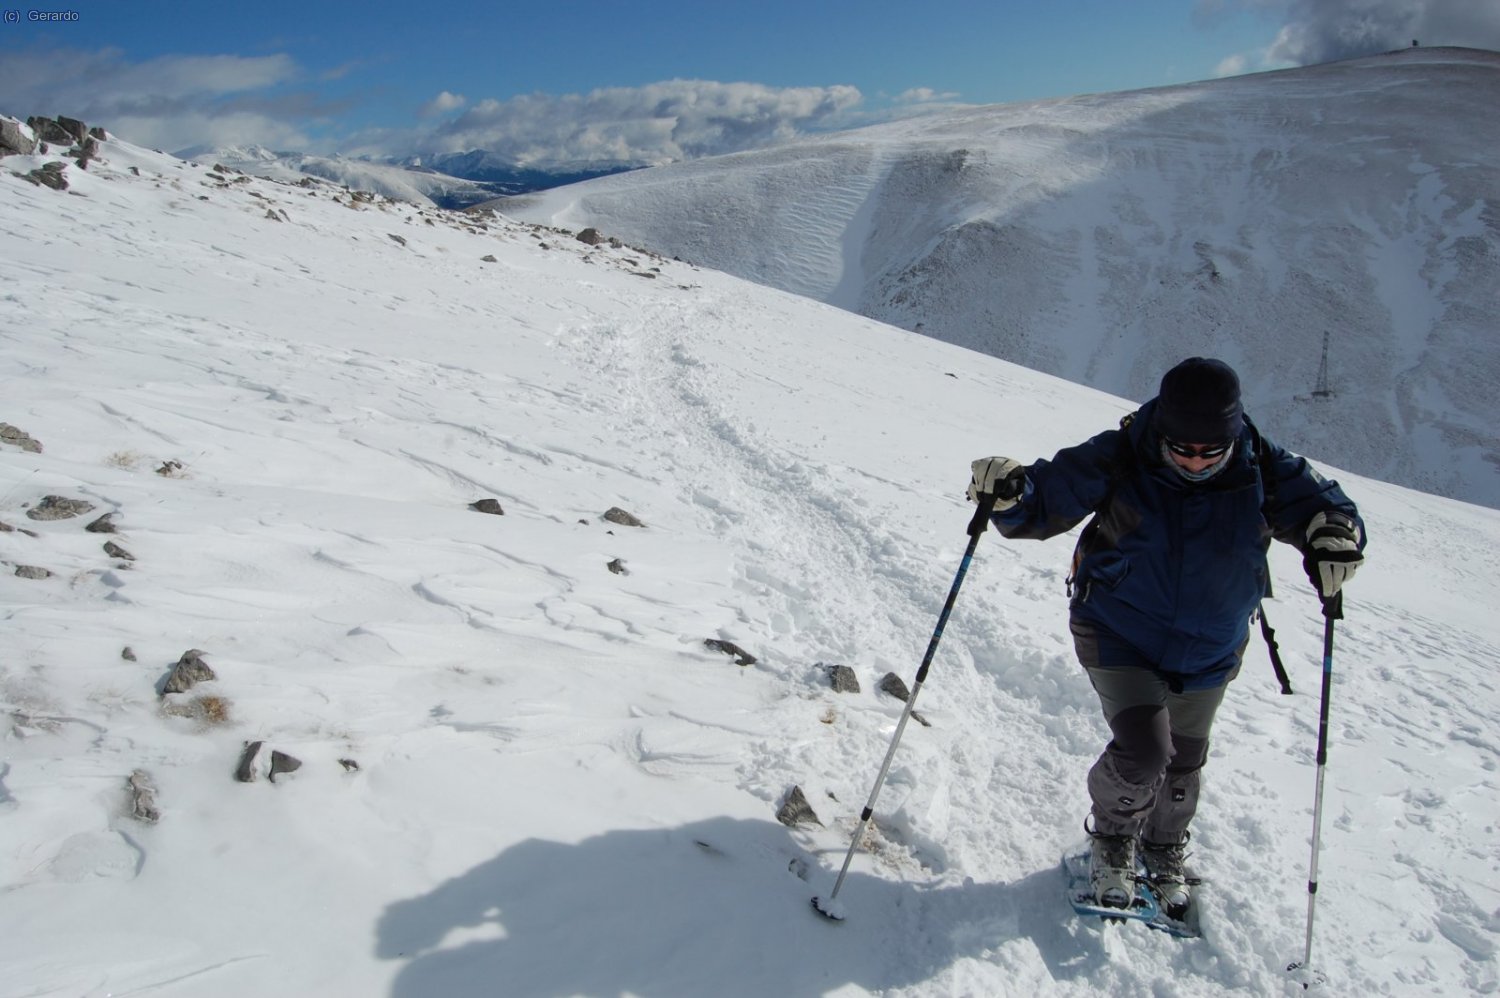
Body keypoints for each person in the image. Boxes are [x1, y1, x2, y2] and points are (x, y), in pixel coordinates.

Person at [967, 357, 1364, 917]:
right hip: (1117, 629)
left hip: (1212, 645)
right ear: (1163, 432)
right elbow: (1044, 497)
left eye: (1209, 452)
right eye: (1181, 449)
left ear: (1232, 435)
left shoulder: (1264, 466)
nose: (1194, 461)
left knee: (1184, 761)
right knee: (1146, 751)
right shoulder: (1124, 451)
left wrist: (1334, 536)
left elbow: (1330, 507)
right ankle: (1112, 839)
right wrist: (1009, 492)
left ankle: (1163, 846)